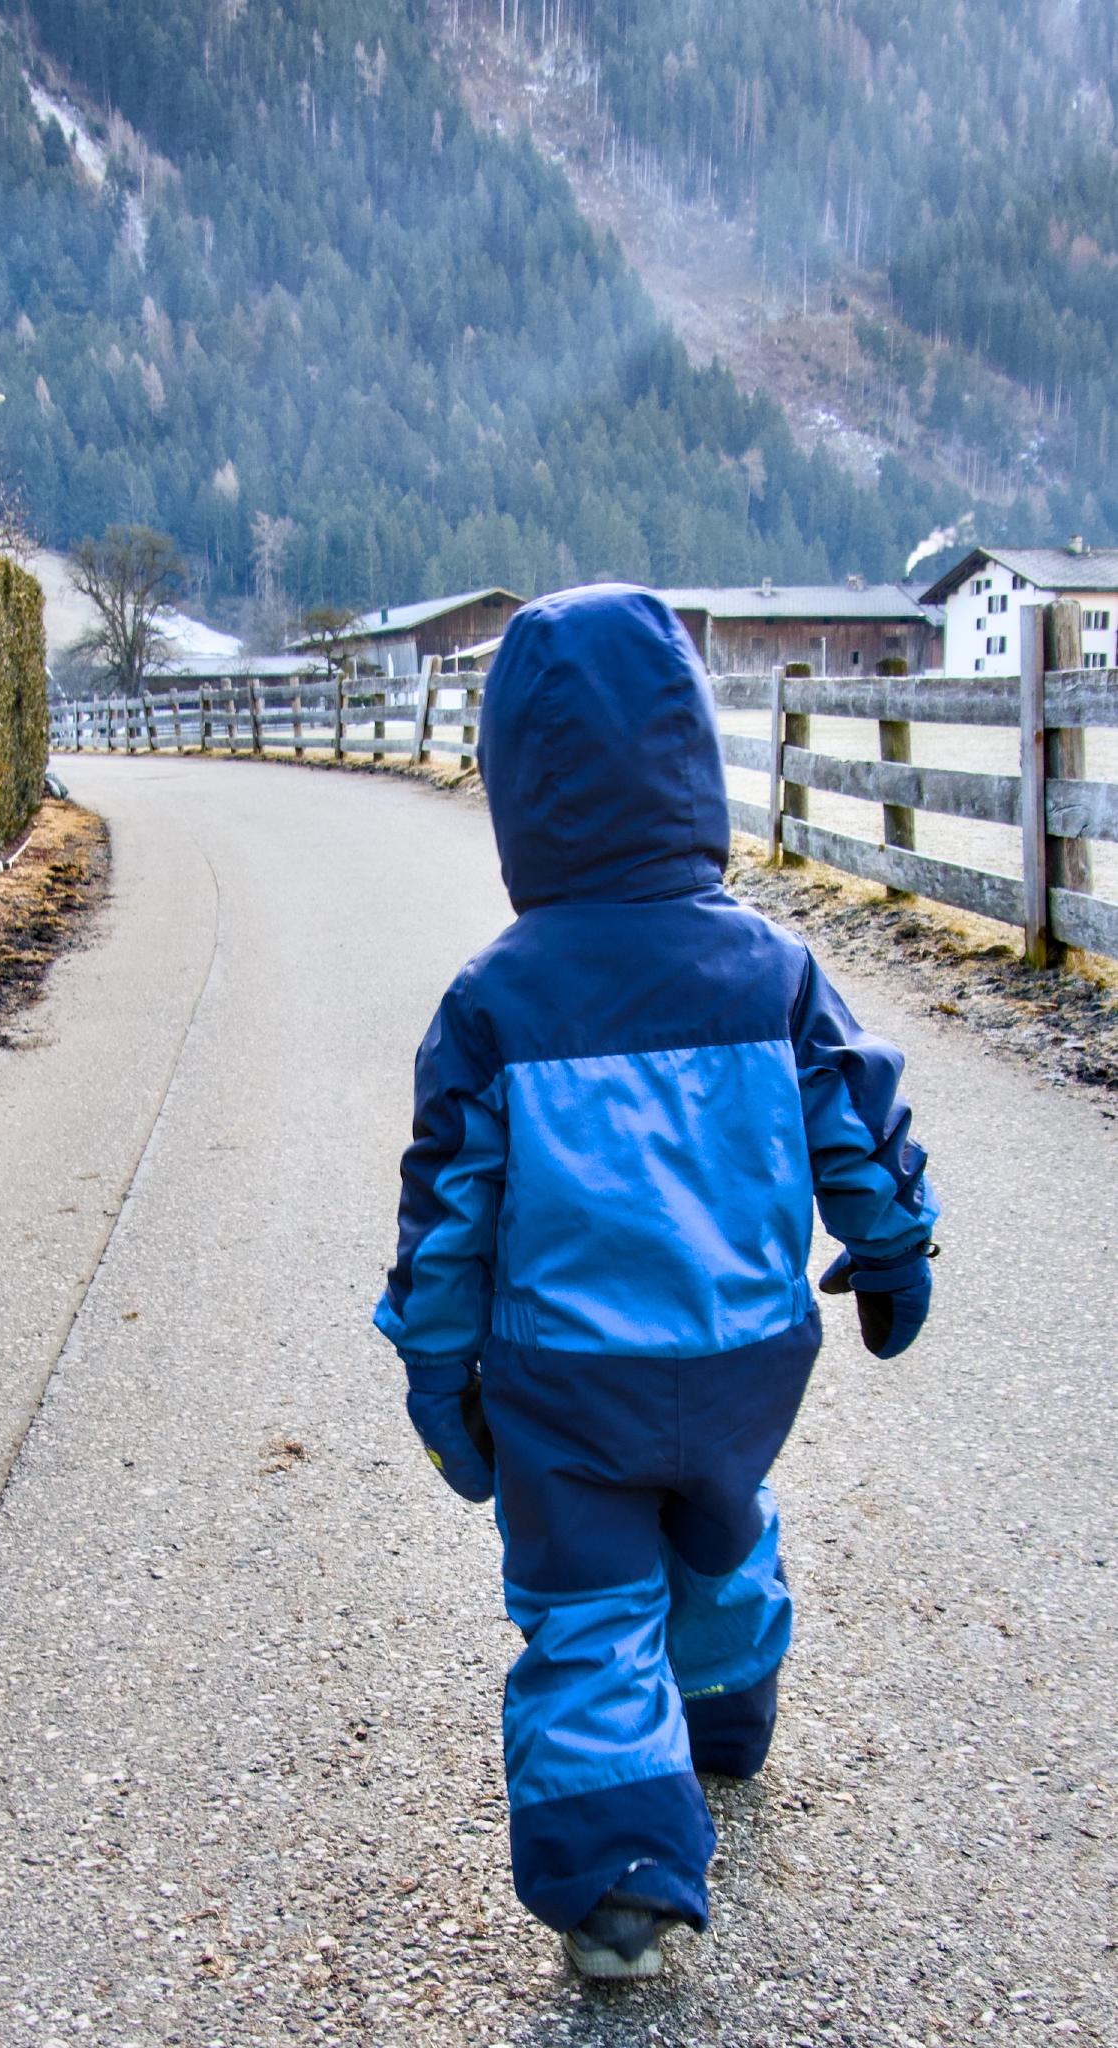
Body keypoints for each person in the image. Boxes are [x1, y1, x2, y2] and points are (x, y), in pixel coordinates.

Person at [373, 585, 938, 1980]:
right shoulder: (771, 970)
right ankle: (725, 1708)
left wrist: (440, 1377)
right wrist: (890, 1249)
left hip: (566, 1378)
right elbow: (853, 1122)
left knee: (587, 1602)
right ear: (691, 761)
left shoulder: (495, 1002)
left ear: (520, 788)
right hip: (745, 1354)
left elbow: (447, 1222)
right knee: (720, 1520)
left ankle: (619, 1875)